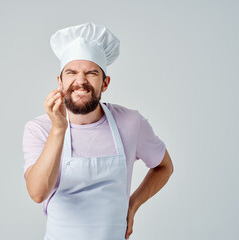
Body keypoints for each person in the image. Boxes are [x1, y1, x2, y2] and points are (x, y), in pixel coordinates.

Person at [23, 22, 174, 240]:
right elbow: (37, 193)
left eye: (91, 73)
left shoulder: (130, 122)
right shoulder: (39, 128)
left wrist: (132, 205)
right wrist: (58, 128)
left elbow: (164, 166)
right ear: (60, 81)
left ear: (105, 83)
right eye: (71, 72)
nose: (81, 81)